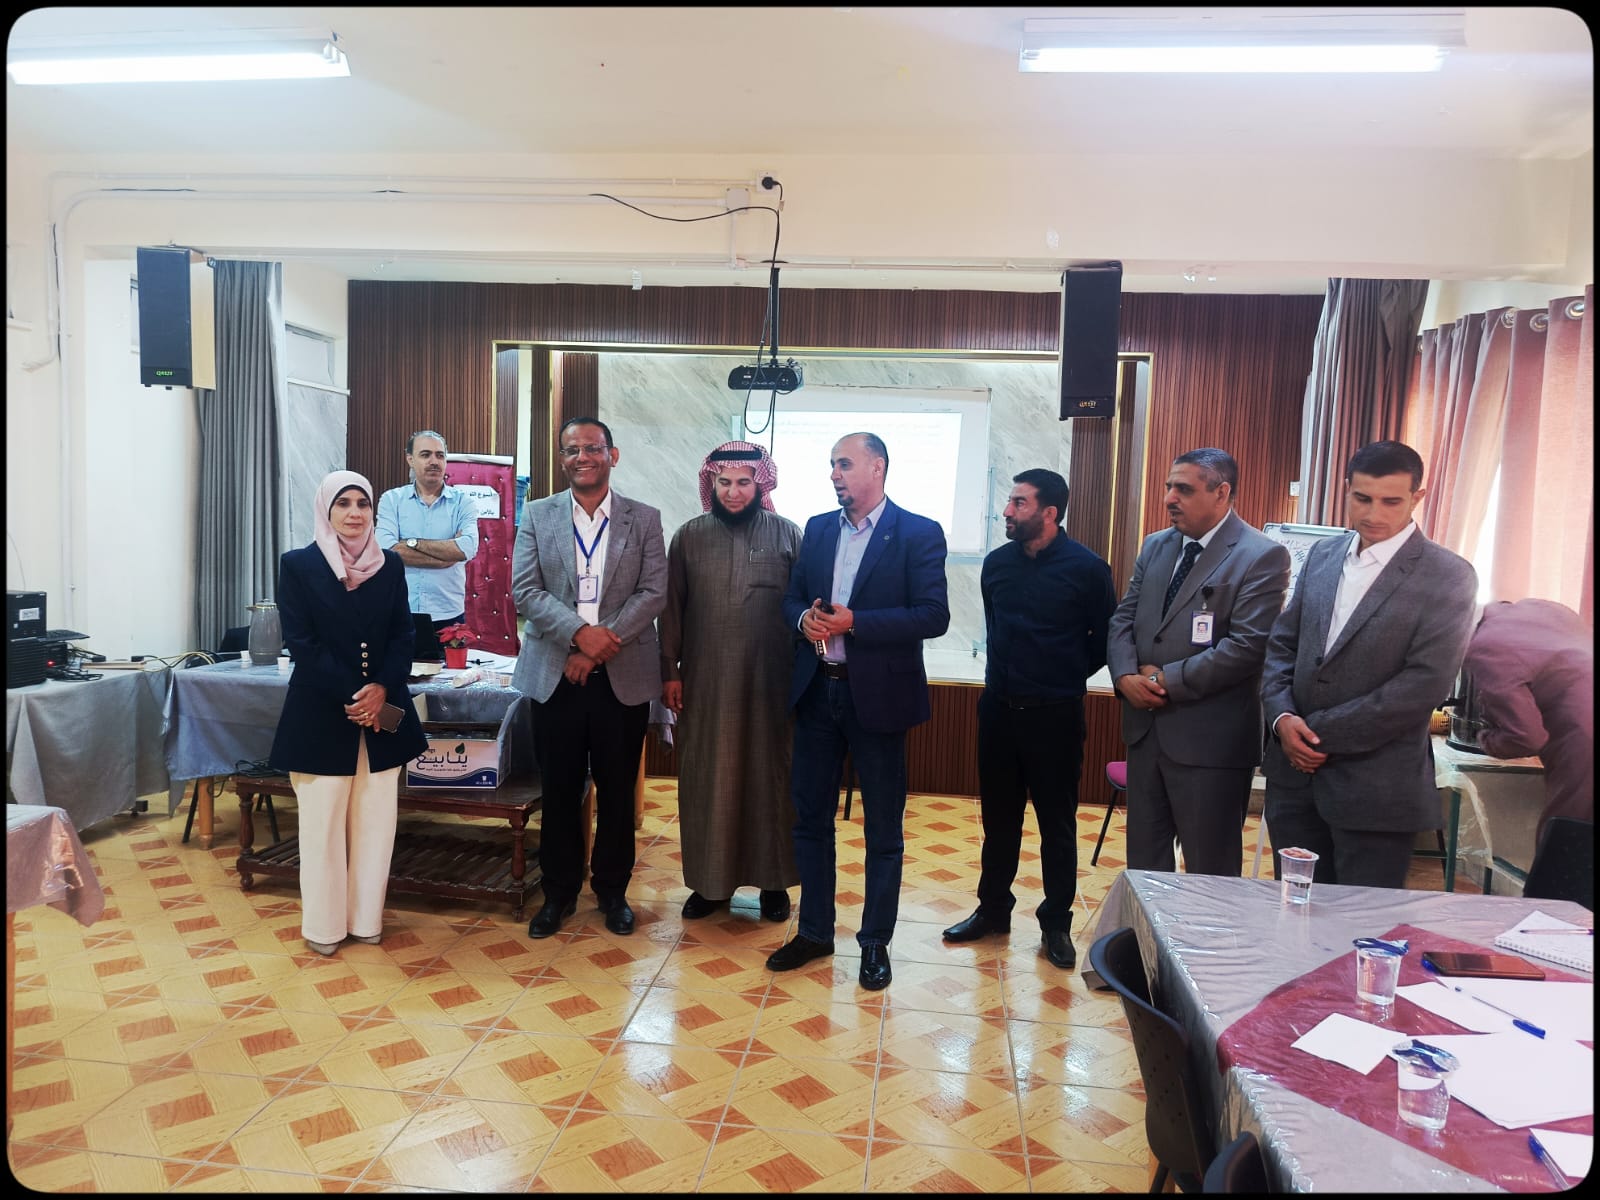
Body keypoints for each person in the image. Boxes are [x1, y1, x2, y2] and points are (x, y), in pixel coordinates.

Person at [766, 431, 950, 991]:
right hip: (817, 692)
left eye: (844, 464)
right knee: (810, 820)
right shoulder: (819, 528)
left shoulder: (918, 532)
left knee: (883, 829)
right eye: (831, 465)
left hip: (879, 698)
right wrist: (804, 620)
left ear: (878, 468)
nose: (834, 475)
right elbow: (791, 600)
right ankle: (815, 932)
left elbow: (933, 615)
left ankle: (874, 943)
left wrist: (857, 623)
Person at [1262, 440, 1477, 889]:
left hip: (1376, 787)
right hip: (1293, 780)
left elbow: (1425, 683)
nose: (1374, 513)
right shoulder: (1323, 555)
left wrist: (1315, 733)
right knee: (1293, 914)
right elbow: (1283, 644)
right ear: (1346, 489)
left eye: (1391, 501)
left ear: (1417, 498)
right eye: (1362, 498)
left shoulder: (1448, 575)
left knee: (1361, 923)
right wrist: (1282, 718)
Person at [942, 469, 1115, 969]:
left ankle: (1055, 923)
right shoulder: (996, 564)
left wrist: (1061, 676)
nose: (1007, 511)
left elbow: (1103, 642)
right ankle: (993, 910)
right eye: (1009, 501)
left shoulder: (1088, 569)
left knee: (1057, 824)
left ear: (1050, 512)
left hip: (1055, 717)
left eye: (1019, 502)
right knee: (999, 821)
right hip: (998, 712)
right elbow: (995, 626)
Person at [512, 416, 667, 938]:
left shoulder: (644, 518)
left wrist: (599, 647)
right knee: (558, 790)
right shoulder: (538, 514)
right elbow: (526, 590)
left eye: (593, 448)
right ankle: (557, 893)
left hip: (621, 675)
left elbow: (653, 592)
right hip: (555, 674)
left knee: (617, 792)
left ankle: (612, 892)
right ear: (562, 460)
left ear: (612, 455)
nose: (583, 457)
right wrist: (580, 635)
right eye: (572, 450)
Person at [1107, 448, 1291, 877]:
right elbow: (1123, 619)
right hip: (1146, 734)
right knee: (1146, 869)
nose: (1169, 498)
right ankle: (1150, 928)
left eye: (1184, 489)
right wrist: (1125, 676)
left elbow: (1247, 647)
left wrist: (1164, 680)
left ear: (1221, 492)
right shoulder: (1156, 545)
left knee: (1210, 875)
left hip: (1212, 744)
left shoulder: (1261, 555)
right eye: (1169, 487)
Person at [269, 470, 428, 956]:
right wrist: (357, 694)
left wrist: (381, 688)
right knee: (321, 827)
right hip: (320, 713)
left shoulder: (390, 565)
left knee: (376, 824)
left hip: (382, 715)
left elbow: (403, 634)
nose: (355, 513)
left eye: (363, 503)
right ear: (326, 509)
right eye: (344, 503)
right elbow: (301, 642)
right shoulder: (298, 565)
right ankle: (323, 927)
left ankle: (365, 920)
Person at [660, 441, 803, 921]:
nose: (734, 492)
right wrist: (669, 671)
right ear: (712, 483)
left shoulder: (788, 534)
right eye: (724, 482)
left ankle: (774, 884)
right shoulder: (689, 537)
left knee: (773, 778)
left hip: (772, 685)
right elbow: (671, 610)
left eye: (744, 482)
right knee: (709, 778)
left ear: (761, 484)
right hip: (706, 683)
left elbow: (804, 609)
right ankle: (711, 884)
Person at [1461, 598, 1593, 845]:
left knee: (1565, 841)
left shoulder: (1485, 648)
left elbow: (1526, 737)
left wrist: (1486, 739)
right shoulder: (1535, 607)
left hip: (1584, 740)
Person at [376, 430, 481, 632]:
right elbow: (387, 550)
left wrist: (410, 543)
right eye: (425, 455)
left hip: (448, 613)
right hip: (399, 610)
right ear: (410, 459)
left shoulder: (463, 502)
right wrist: (446, 557)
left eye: (440, 455)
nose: (434, 461)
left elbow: (467, 548)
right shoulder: (391, 500)